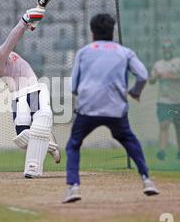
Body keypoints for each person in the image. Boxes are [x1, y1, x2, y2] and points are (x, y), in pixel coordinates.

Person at [64, 13, 159, 203]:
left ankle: (73, 187)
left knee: (74, 144)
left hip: (88, 108)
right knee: (129, 140)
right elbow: (142, 75)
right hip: (116, 109)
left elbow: (73, 86)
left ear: (92, 33)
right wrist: (134, 92)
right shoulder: (124, 52)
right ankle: (147, 180)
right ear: (112, 31)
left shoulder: (84, 52)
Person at [0, 7, 61, 178]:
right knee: (22, 138)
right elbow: (11, 40)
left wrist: (30, 25)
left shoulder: (2, 53)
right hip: (18, 97)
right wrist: (24, 21)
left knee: (33, 130)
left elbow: (13, 41)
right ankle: (50, 145)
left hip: (33, 89)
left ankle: (44, 144)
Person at [149, 39, 180, 161]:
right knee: (164, 124)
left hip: (178, 101)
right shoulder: (158, 64)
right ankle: (162, 151)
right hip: (164, 102)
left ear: (173, 49)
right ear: (162, 50)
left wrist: (170, 76)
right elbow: (151, 81)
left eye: (169, 47)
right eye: (164, 47)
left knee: (179, 127)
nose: (167, 50)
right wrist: (156, 76)